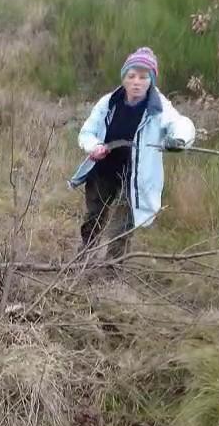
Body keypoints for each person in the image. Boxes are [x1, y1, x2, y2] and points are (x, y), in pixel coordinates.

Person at [68, 47, 195, 264]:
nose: (137, 82)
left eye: (143, 77)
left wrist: (179, 140)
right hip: (104, 169)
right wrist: (94, 146)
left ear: (151, 80)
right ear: (124, 78)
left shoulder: (159, 107)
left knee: (122, 225)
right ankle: (84, 256)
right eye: (132, 76)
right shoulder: (109, 102)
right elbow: (87, 132)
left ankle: (112, 267)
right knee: (93, 216)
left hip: (136, 176)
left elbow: (181, 124)